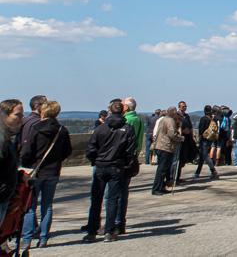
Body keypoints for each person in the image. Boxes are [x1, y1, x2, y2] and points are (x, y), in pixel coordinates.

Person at [20, 100, 72, 249]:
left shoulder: (36, 128)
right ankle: (43, 238)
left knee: (30, 206)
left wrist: (27, 164)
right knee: (47, 205)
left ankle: (27, 238)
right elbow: (67, 151)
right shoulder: (62, 130)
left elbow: (27, 151)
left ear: (43, 112)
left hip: (36, 171)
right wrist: (56, 160)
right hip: (53, 171)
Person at [84, 100, 136, 242]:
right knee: (113, 200)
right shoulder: (127, 128)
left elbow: (90, 149)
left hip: (100, 166)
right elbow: (131, 151)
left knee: (96, 200)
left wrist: (95, 160)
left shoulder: (100, 128)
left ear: (110, 111)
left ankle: (92, 231)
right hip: (117, 166)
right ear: (122, 111)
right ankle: (109, 231)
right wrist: (126, 164)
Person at [117, 97, 144, 235]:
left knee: (118, 193)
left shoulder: (128, 120)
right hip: (133, 155)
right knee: (124, 191)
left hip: (123, 158)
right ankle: (120, 221)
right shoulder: (138, 119)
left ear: (126, 107)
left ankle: (118, 222)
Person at [0, 99, 24, 226]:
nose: (21, 119)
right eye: (17, 115)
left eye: (22, 115)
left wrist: (19, 176)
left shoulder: (6, 138)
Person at [151, 107, 183, 195]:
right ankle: (156, 188)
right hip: (165, 146)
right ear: (172, 113)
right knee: (162, 169)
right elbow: (171, 134)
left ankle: (161, 187)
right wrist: (180, 138)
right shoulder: (170, 121)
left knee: (163, 169)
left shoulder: (163, 119)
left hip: (160, 145)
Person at [194, 105, 219, 179]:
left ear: (204, 111)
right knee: (202, 156)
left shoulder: (203, 119)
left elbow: (201, 130)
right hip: (210, 140)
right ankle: (197, 173)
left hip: (204, 139)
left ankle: (213, 171)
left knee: (205, 156)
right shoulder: (212, 119)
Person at [173, 101, 195, 185]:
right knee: (178, 159)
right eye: (183, 106)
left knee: (183, 159)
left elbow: (191, 126)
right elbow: (175, 127)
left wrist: (191, 135)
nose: (184, 107)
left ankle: (178, 177)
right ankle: (175, 178)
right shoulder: (177, 116)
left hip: (187, 139)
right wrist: (182, 131)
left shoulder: (187, 116)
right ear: (179, 107)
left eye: (185, 106)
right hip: (180, 139)